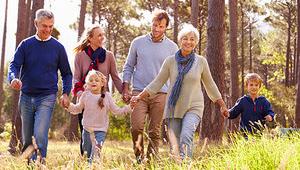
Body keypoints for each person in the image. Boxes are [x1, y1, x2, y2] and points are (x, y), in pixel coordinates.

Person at [130, 24, 228, 159]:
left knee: (186, 135)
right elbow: (158, 82)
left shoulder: (201, 62)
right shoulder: (170, 61)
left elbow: (210, 85)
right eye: (185, 39)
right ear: (180, 41)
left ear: (196, 42)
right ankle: (178, 165)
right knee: (175, 145)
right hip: (174, 108)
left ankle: (186, 166)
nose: (188, 42)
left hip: (194, 106)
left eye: (192, 39)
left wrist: (222, 104)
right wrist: (139, 96)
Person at [8, 9, 72, 162]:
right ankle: (29, 164)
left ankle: (39, 165)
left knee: (40, 135)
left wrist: (65, 93)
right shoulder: (25, 45)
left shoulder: (58, 48)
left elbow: (67, 73)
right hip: (26, 96)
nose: (48, 30)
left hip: (47, 96)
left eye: (51, 26)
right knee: (28, 138)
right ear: (36, 24)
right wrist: (13, 78)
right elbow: (14, 65)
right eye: (44, 26)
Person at [122, 9, 178, 162]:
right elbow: (128, 66)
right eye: (154, 25)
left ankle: (150, 162)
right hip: (139, 92)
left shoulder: (172, 48)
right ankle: (139, 158)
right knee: (136, 127)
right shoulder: (138, 42)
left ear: (166, 27)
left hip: (161, 93)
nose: (156, 29)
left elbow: (175, 73)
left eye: (160, 26)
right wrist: (125, 88)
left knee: (154, 131)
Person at [72, 24, 123, 155]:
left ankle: (94, 161)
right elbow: (76, 78)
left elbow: (116, 77)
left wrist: (125, 93)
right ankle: (85, 161)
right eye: (99, 35)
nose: (102, 38)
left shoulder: (109, 56)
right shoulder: (80, 56)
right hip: (86, 100)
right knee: (85, 136)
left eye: (102, 34)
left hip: (102, 100)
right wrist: (80, 95)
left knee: (99, 135)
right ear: (90, 38)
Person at [65, 70, 132, 162]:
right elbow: (77, 109)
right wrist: (68, 105)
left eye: (96, 80)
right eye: (91, 80)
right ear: (87, 83)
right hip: (87, 131)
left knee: (95, 157)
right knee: (87, 156)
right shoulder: (85, 95)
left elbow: (118, 111)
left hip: (100, 131)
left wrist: (129, 107)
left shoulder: (107, 97)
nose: (93, 82)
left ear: (102, 83)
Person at [225, 73, 275, 137]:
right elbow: (234, 111)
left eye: (256, 85)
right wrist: (228, 113)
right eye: (251, 85)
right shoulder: (243, 101)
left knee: (257, 146)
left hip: (259, 132)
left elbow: (270, 111)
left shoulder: (264, 101)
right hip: (245, 132)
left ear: (259, 87)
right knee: (247, 146)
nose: (254, 87)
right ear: (246, 86)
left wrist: (270, 116)